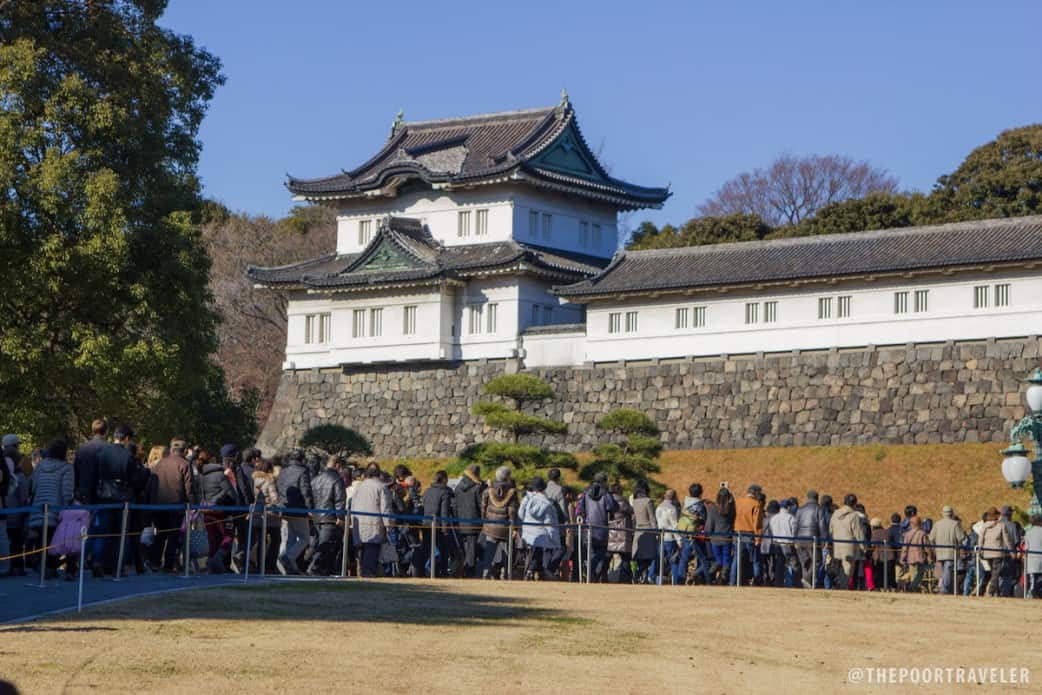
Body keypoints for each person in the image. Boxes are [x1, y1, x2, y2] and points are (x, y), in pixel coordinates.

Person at [90, 424, 140, 577]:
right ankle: (118, 566)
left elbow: (96, 473)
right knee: (122, 533)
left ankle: (97, 561)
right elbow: (134, 478)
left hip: (104, 494)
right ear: (126, 438)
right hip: (122, 495)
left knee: (103, 532)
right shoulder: (127, 455)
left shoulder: (103, 452)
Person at [26, 440, 75, 578]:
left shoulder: (40, 465)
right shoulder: (67, 468)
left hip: (39, 507)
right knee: (53, 541)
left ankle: (42, 567)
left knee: (41, 539)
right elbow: (67, 492)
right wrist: (66, 508)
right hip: (55, 508)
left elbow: (34, 486)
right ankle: (49, 568)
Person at [148, 438, 196, 572]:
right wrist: (192, 505)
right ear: (184, 451)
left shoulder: (160, 463)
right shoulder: (185, 464)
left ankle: (154, 562)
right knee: (173, 536)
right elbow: (189, 488)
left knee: (160, 534)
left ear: (171, 450)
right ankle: (168, 565)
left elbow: (152, 484)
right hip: (176, 505)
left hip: (158, 505)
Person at [276, 449, 314, 576]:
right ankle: (287, 557)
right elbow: (306, 491)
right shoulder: (303, 471)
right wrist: (310, 508)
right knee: (304, 537)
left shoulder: (283, 471)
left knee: (290, 539)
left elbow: (278, 487)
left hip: (284, 508)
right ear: (302, 459)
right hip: (299, 509)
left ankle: (290, 568)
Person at [351, 462, 393, 578]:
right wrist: (388, 524)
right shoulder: (381, 487)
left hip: (359, 522)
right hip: (374, 522)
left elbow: (352, 505)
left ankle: (362, 572)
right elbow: (385, 508)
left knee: (362, 549)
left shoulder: (359, 486)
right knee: (372, 548)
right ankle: (368, 573)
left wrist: (352, 521)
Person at [200, 447, 236, 573]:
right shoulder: (220, 475)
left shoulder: (201, 475)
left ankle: (211, 564)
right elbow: (231, 494)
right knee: (228, 536)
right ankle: (217, 559)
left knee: (212, 539)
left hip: (206, 510)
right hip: (222, 511)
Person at [308, 455, 346, 576]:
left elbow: (311, 498)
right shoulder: (337, 479)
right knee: (325, 546)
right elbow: (340, 500)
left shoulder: (316, 479)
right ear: (337, 465)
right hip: (330, 517)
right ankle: (313, 569)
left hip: (316, 517)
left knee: (317, 544)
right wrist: (340, 517)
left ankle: (313, 567)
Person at [517, 476, 561, 580]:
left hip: (526, 531)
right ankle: (532, 571)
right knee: (538, 552)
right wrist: (553, 537)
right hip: (540, 533)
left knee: (531, 553)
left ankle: (533, 571)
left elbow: (520, 514)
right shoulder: (547, 503)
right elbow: (549, 522)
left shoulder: (527, 499)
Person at [576, 472, 617, 582]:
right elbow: (612, 507)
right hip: (602, 528)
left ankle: (591, 574)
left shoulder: (585, 493)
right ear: (603, 481)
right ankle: (591, 570)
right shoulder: (605, 494)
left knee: (592, 552)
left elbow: (579, 509)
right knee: (601, 553)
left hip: (588, 528)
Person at [481, 466, 518, 579]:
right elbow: (512, 511)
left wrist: (484, 521)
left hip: (490, 526)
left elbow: (483, 508)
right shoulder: (512, 492)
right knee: (507, 554)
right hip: (505, 527)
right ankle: (506, 575)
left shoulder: (488, 491)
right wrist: (514, 527)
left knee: (489, 554)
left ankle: (485, 575)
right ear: (508, 477)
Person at [828, 493, 867, 589]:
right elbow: (859, 533)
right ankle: (843, 589)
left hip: (836, 546)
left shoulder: (835, 513)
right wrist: (863, 547)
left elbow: (830, 530)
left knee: (838, 569)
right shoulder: (854, 516)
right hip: (849, 548)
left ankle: (838, 586)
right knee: (847, 570)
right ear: (855, 504)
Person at [421, 470, 455, 577]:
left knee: (428, 549)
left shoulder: (427, 491)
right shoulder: (445, 493)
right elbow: (444, 513)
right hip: (438, 526)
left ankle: (428, 572)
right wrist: (445, 530)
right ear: (444, 479)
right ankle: (442, 572)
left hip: (426, 525)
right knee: (442, 550)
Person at [453, 464, 484, 578]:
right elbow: (481, 506)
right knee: (472, 549)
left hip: (461, 522)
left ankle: (464, 570)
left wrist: (456, 520)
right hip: (474, 523)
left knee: (465, 549)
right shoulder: (477, 488)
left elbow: (454, 506)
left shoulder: (458, 487)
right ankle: (469, 572)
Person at [676, 484, 710, 585]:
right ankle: (703, 579)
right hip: (694, 535)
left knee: (684, 559)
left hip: (683, 532)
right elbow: (705, 520)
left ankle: (680, 581)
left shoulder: (684, 502)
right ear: (700, 493)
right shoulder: (700, 505)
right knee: (704, 560)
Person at [251, 458, 281, 572]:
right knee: (276, 540)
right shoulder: (269, 479)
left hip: (257, 514)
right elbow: (274, 499)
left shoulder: (254, 479)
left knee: (261, 541)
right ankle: (269, 566)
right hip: (270, 515)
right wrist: (280, 506)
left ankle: (260, 566)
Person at [731, 484, 764, 586]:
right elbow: (757, 523)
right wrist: (758, 538)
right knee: (755, 560)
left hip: (737, 533)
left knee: (736, 559)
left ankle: (732, 581)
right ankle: (756, 582)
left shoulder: (738, 502)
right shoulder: (756, 504)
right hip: (750, 534)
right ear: (756, 493)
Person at [928, 505, 966, 594]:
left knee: (943, 572)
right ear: (952, 513)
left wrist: (933, 549)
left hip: (939, 552)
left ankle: (942, 588)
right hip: (951, 552)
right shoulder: (955, 524)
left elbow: (931, 538)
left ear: (943, 513)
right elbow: (961, 538)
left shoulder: (937, 524)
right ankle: (944, 590)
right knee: (947, 571)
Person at [795, 490, 827, 588]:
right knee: (817, 562)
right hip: (813, 538)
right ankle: (806, 579)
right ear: (817, 498)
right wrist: (823, 541)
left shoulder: (800, 509)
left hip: (800, 538)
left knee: (805, 562)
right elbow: (822, 526)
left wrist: (795, 539)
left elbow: (795, 525)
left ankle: (806, 585)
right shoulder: (819, 509)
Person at [979, 506, 1012, 597]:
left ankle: (996, 592)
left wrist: (980, 550)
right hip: (997, 552)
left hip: (987, 552)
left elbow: (981, 539)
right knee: (995, 573)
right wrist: (1011, 551)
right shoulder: (1001, 525)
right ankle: (991, 591)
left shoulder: (984, 526)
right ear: (996, 515)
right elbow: (1006, 539)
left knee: (993, 573)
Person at [705, 485, 735, 585]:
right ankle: (723, 579)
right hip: (727, 538)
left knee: (718, 561)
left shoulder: (713, 508)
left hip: (715, 539)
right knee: (726, 560)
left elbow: (710, 523)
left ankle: (709, 575)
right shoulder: (731, 508)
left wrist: (707, 533)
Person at [73, 419, 108, 504]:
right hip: (103, 494)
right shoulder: (108, 449)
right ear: (106, 432)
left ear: (92, 431)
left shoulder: (81, 449)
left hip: (84, 494)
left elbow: (76, 474)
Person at [630, 481, 658, 584]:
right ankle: (638, 574)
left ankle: (641, 577)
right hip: (648, 530)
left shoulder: (635, 501)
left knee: (641, 557)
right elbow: (652, 518)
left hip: (638, 530)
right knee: (650, 557)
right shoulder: (648, 501)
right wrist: (656, 532)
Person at [606, 483, 633, 583]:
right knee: (625, 558)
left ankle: (600, 575)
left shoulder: (607, 500)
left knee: (607, 557)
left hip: (610, 532)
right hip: (622, 533)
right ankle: (627, 579)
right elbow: (630, 511)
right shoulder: (622, 501)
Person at [768, 498, 798, 587]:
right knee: (793, 563)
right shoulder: (791, 518)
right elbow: (794, 532)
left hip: (777, 543)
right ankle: (793, 583)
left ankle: (778, 583)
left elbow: (771, 530)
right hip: (788, 543)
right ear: (788, 507)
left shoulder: (774, 518)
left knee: (779, 564)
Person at [544, 468, 568, 574]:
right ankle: (550, 569)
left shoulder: (543, 489)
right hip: (557, 523)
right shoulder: (559, 489)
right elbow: (563, 508)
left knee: (547, 548)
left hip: (544, 522)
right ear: (558, 477)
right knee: (562, 548)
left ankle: (545, 571)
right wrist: (566, 521)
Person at [898, 515, 932, 592]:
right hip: (920, 558)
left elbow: (904, 548)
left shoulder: (907, 534)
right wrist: (931, 555)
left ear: (911, 524)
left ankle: (913, 589)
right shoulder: (922, 534)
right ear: (919, 523)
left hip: (910, 558)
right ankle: (914, 588)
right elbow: (927, 547)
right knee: (920, 575)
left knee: (913, 574)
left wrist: (902, 559)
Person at [655, 489, 680, 585]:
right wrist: (679, 540)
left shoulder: (659, 507)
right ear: (674, 497)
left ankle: (657, 581)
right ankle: (675, 582)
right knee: (673, 561)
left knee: (660, 561)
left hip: (661, 538)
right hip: (670, 538)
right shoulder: (671, 508)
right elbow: (674, 526)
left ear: (665, 496)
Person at [999, 506, 1023, 597]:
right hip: (1009, 554)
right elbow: (1017, 542)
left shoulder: (996, 524)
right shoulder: (1012, 526)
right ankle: (1005, 594)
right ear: (1009, 514)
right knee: (1008, 576)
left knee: (998, 575)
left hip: (997, 554)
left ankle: (998, 592)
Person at [1024, 515, 1042, 598]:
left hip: (1031, 559)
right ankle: (1034, 592)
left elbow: (1026, 548)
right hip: (1040, 558)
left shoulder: (1028, 533)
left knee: (1033, 580)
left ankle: (1032, 593)